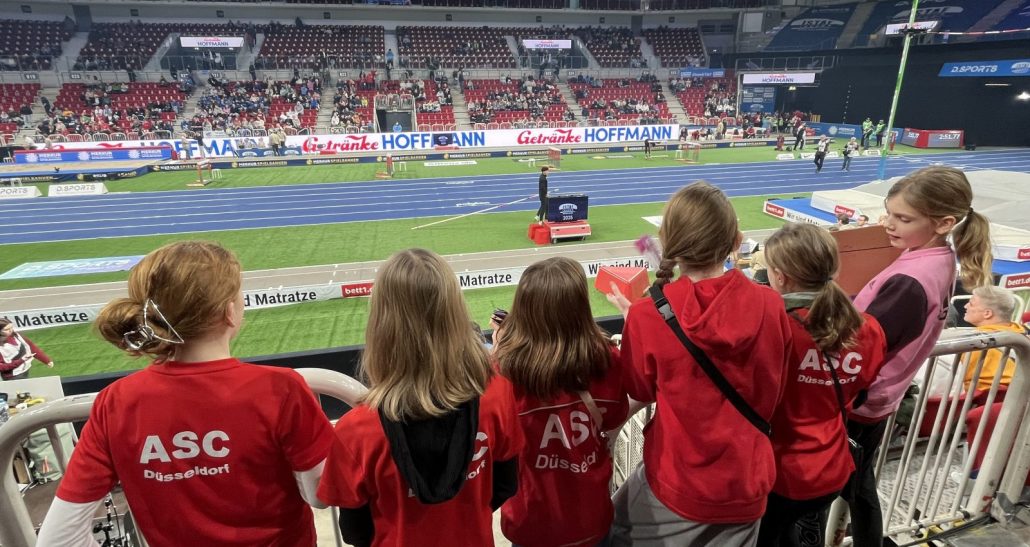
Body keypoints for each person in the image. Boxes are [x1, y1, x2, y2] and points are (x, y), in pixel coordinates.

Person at [36, 241, 334, 546]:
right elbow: (320, 495)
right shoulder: (281, 388)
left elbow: (58, 540)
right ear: (230, 311)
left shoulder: (116, 401)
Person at [608, 181, 794, 546]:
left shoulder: (649, 315)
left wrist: (638, 327)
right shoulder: (771, 304)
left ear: (670, 243)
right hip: (746, 482)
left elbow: (639, 388)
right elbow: (775, 383)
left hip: (677, 482)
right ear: (736, 240)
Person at [317, 248, 524, 547]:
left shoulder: (356, 430)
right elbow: (505, 485)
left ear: (382, 327)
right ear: (455, 315)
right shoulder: (497, 393)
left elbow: (355, 531)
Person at [843, 166, 993, 547]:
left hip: (858, 401)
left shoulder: (911, 281)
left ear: (943, 223)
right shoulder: (937, 259)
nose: (888, 224)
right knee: (858, 485)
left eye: (903, 218)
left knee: (822, 487)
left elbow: (864, 347)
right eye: (888, 213)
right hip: (879, 399)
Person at [756, 223, 887, 547]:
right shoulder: (868, 328)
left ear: (780, 276)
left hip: (778, 473)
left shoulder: (773, 328)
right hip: (830, 468)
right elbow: (860, 387)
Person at [495, 257, 629, 547]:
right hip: (590, 520)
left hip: (530, 524)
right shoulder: (608, 361)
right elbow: (615, 418)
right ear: (581, 308)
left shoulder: (503, 373)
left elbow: (497, 445)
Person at [961, 286, 1024, 393]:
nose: (965, 306)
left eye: (971, 304)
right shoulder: (1022, 334)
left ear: (987, 313)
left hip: (979, 399)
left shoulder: (975, 343)